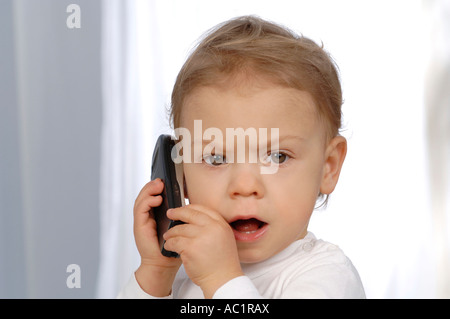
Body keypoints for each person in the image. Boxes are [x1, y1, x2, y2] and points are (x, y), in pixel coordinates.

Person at [118, 15, 365, 299]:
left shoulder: (326, 276)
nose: (245, 186)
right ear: (180, 174)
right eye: (216, 159)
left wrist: (221, 279)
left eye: (277, 157)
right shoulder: (185, 274)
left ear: (328, 167)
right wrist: (157, 271)